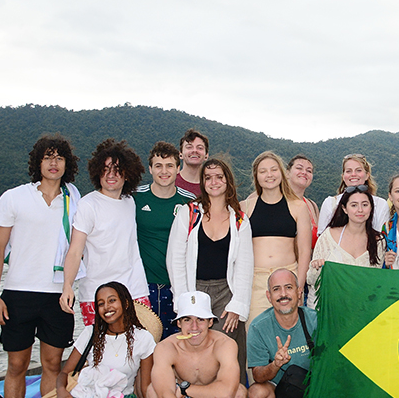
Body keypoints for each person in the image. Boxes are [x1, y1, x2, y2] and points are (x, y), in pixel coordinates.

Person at [0, 135, 82, 398]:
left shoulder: (74, 199)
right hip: (18, 293)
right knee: (16, 365)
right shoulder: (14, 198)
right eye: (47, 157)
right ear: (37, 163)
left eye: (59, 158)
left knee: (54, 366)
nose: (53, 163)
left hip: (57, 294)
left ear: (67, 165)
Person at [167, 157, 254, 371]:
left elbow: (245, 266)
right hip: (195, 290)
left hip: (226, 293)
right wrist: (184, 302)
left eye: (219, 177)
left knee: (227, 355)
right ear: (202, 182)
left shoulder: (239, 219)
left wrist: (237, 306)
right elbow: (174, 259)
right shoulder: (188, 213)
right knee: (195, 352)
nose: (213, 182)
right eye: (208, 178)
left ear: (228, 181)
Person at [52, 282, 156, 398]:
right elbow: (64, 373)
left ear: (126, 303)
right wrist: (61, 391)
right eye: (101, 303)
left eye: (112, 300)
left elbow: (146, 388)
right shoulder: (90, 333)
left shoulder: (142, 338)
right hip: (90, 397)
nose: (106, 307)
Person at [59, 139, 150, 325]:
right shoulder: (88, 205)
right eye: (106, 169)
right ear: (97, 171)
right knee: (100, 350)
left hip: (135, 290)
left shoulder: (129, 202)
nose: (111, 174)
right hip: (97, 293)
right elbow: (75, 251)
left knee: (140, 348)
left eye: (117, 169)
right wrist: (67, 285)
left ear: (127, 174)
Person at [246, 270, 324, 398]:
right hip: (279, 396)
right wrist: (276, 364)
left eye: (288, 288)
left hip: (313, 391)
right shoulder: (258, 327)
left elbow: (332, 368)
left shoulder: (316, 320)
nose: (283, 294)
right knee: (254, 396)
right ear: (269, 296)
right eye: (276, 289)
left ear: (299, 292)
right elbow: (257, 375)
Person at [241, 151, 312, 323]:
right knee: (255, 332)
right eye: (263, 171)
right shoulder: (245, 207)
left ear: (281, 172)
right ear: (256, 176)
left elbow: (304, 251)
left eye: (273, 170)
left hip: (289, 277)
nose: (269, 175)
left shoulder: (298, 207)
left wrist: (299, 286)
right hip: (256, 280)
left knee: (290, 334)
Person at [134, 142, 195, 339]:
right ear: (150, 168)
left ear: (178, 168)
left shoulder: (189, 201)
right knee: (142, 346)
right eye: (158, 166)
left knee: (177, 343)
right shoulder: (135, 198)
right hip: (142, 286)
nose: (164, 171)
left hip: (176, 286)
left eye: (169, 165)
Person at [306, 186, 386, 308]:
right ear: (344, 209)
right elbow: (311, 280)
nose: (360, 210)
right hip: (327, 309)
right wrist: (316, 268)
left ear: (371, 208)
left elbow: (375, 282)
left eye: (365, 205)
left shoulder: (378, 242)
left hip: (360, 310)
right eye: (354, 205)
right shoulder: (329, 236)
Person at [317, 153, 391, 232]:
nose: (353, 174)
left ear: (367, 175)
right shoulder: (330, 203)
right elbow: (322, 237)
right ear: (343, 176)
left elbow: (383, 238)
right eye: (348, 171)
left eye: (358, 170)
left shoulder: (380, 205)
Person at [286, 154, 321, 247]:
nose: (304, 172)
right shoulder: (275, 201)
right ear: (287, 173)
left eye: (309, 171)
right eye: (299, 168)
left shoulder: (312, 206)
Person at [177, 129, 209, 196]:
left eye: (200, 148)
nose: (194, 150)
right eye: (189, 147)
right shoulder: (170, 183)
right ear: (180, 154)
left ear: (206, 155)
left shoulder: (213, 185)